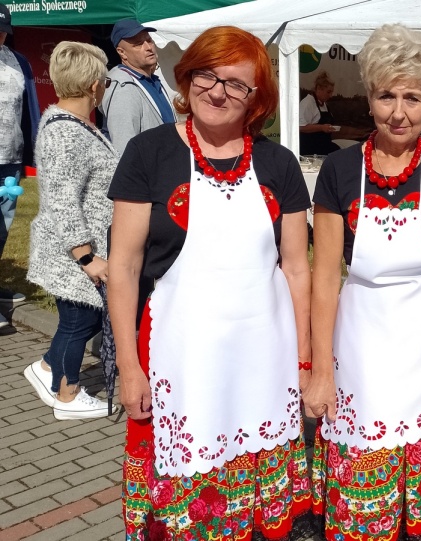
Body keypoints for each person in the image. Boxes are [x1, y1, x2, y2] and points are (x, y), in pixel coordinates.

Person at [108, 26, 313, 539]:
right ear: (187, 75)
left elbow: (296, 268)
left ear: (257, 98)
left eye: (237, 84)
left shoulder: (277, 163)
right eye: (207, 75)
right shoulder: (148, 153)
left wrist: (306, 362)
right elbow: (124, 268)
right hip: (180, 360)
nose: (218, 91)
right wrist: (129, 369)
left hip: (263, 361)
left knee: (259, 514)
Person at [305, 23, 421, 541]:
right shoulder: (338, 170)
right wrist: (319, 370)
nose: (398, 112)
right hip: (364, 348)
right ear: (369, 95)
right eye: (386, 96)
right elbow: (324, 276)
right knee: (364, 501)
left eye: (413, 97)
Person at [22, 42, 117, 419]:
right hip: (74, 250)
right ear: (94, 85)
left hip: (78, 244)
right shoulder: (66, 133)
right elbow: (62, 200)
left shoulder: (75, 125)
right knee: (81, 319)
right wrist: (87, 257)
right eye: (105, 80)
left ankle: (46, 367)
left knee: (79, 318)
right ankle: (67, 395)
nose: (106, 86)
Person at [0, 1, 40, 327]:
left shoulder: (19, 62)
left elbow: (28, 110)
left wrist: (31, 154)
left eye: (3, 32)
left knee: (3, 230)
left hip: (9, 160)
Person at [100, 18, 176, 156]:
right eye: (138, 44)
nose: (148, 47)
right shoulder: (123, 88)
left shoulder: (150, 80)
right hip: (148, 174)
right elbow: (124, 149)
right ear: (122, 52)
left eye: (149, 40)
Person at [298, 70, 341, 156]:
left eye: (331, 92)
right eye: (328, 92)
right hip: (310, 150)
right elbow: (300, 127)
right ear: (318, 89)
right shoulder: (308, 103)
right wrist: (322, 128)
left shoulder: (324, 104)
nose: (331, 95)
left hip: (323, 146)